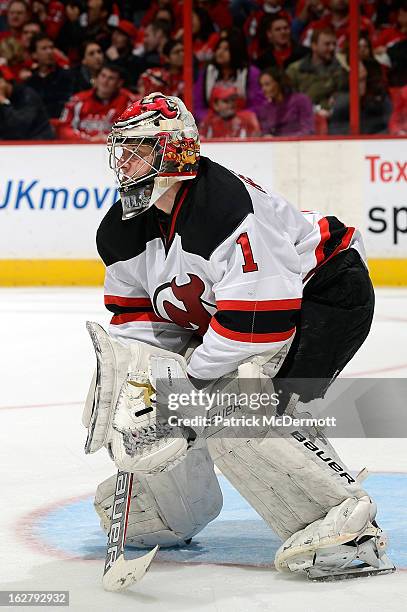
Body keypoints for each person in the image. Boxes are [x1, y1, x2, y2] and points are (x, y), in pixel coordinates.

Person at [84, 92, 394, 582]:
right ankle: (173, 511)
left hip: (326, 296)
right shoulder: (121, 231)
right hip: (235, 317)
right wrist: (144, 385)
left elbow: (258, 324)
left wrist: (185, 388)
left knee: (240, 406)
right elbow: (137, 317)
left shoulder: (227, 208)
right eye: (121, 151)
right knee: (155, 402)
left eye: (138, 149)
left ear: (175, 150)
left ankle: (346, 526)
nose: (124, 163)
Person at [193, 30, 265, 123]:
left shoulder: (251, 73)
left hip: (243, 123)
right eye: (218, 48)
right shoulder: (206, 73)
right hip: (212, 123)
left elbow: (259, 105)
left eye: (226, 49)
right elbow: (197, 105)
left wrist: (239, 118)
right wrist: (211, 118)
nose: (220, 52)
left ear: (236, 51)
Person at [58, 63, 134, 141]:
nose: (105, 81)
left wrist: (111, 139)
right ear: (96, 78)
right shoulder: (78, 100)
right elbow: (64, 129)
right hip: (82, 147)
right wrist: (88, 139)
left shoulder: (129, 103)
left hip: (114, 149)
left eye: (111, 78)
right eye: (103, 76)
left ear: (119, 83)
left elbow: (135, 131)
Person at [286, 27, 347, 110]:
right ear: (314, 46)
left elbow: (343, 96)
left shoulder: (340, 69)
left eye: (334, 44)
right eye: (327, 44)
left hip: (332, 117)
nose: (332, 48)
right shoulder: (295, 69)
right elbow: (288, 99)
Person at [0, 64, 54, 138]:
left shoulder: (27, 95)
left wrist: (4, 102)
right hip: (15, 144)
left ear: (3, 81)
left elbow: (18, 127)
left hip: (39, 143)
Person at [25, 32, 73, 117]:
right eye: (44, 48)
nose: (50, 52)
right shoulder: (29, 83)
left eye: (51, 47)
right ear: (34, 55)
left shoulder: (67, 76)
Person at [257, 66, 314, 135]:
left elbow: (308, 130)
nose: (263, 89)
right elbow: (265, 132)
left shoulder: (301, 100)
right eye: (261, 85)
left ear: (279, 83)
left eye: (267, 84)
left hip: (299, 144)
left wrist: (284, 140)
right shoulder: (265, 108)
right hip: (276, 144)